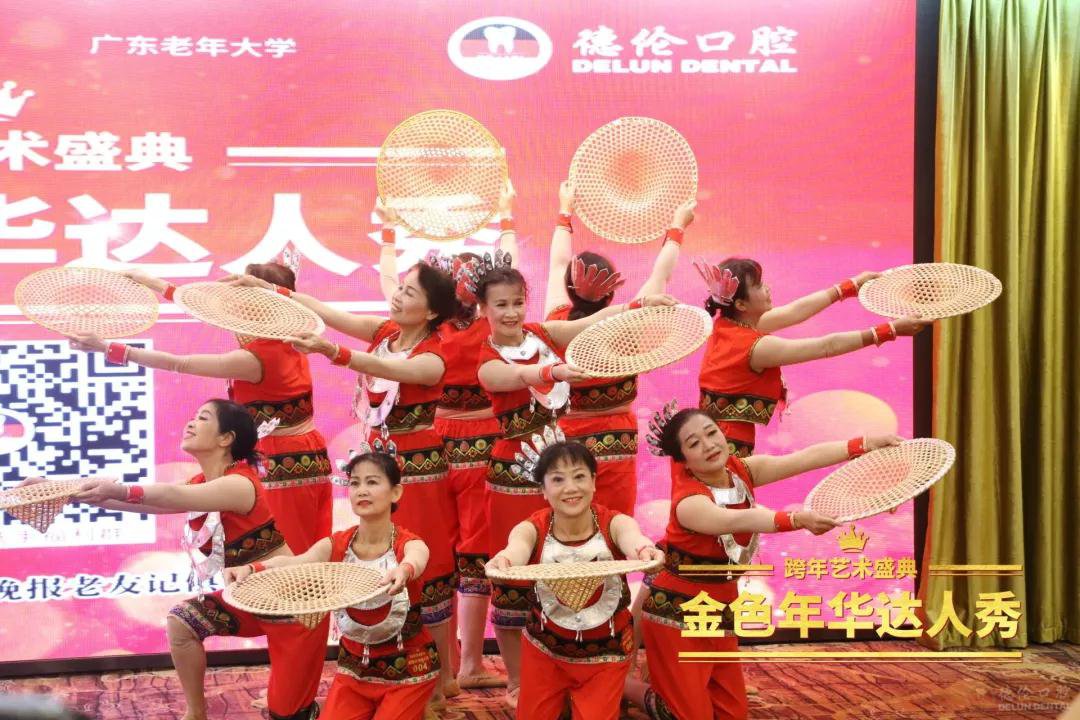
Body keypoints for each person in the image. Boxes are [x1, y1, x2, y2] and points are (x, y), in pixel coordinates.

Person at [226, 218, 460, 703]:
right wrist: (271, 291)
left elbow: (381, 366)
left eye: (410, 293)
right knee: (372, 559)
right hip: (376, 463)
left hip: (418, 474)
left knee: (426, 571)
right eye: (400, 288)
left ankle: (441, 681)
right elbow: (328, 312)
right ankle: (376, 667)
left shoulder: (434, 357)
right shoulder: (386, 330)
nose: (398, 296)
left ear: (433, 310)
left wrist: (334, 352)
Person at [474, 258, 674, 708]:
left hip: (556, 469)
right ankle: (517, 680)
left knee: (573, 561)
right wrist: (554, 372)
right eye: (500, 305)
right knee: (514, 579)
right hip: (514, 473)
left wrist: (638, 306)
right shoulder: (487, 358)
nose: (511, 312)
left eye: (518, 302)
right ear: (484, 309)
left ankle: (577, 664)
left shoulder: (541, 334)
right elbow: (514, 377)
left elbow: (593, 323)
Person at [54, 399, 325, 720]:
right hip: (248, 600)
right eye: (194, 416)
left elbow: (172, 496)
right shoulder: (204, 482)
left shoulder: (239, 484)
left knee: (289, 715)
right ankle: (196, 714)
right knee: (183, 622)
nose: (191, 423)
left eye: (203, 418)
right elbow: (153, 504)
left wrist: (119, 489)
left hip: (290, 606)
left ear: (226, 438)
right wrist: (66, 494)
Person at [627, 405, 899, 720]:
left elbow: (801, 459)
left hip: (719, 610)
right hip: (676, 614)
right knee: (685, 716)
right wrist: (796, 519)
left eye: (711, 433)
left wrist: (862, 444)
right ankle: (624, 687)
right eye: (694, 443)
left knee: (733, 715)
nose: (709, 445)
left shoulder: (740, 471)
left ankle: (671, 683)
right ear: (683, 460)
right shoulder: (690, 503)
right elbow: (736, 519)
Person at [68, 262, 332, 553]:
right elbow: (203, 305)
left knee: (293, 553)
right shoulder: (290, 341)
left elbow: (179, 363)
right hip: (298, 454)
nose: (232, 304)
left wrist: (108, 348)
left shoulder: (257, 357)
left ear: (257, 305)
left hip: (281, 462)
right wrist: (153, 282)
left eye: (241, 297)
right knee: (297, 548)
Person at [226, 446, 437, 720]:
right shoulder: (338, 543)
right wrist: (253, 568)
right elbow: (297, 562)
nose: (361, 491)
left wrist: (405, 570)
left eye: (372, 482)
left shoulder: (407, 543)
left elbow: (418, 556)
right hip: (354, 673)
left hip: (408, 670)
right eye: (355, 483)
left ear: (396, 492)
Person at [543, 180, 695, 514]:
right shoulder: (627, 324)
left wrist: (565, 210)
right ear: (612, 293)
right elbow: (662, 274)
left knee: (569, 525)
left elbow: (557, 263)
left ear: (569, 288)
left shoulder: (556, 323)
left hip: (566, 444)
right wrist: (677, 226)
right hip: (617, 443)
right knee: (617, 524)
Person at [487, 435, 664, 720]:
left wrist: (644, 550)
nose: (570, 488)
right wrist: (505, 560)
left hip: (606, 654)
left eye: (579, 476)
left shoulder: (614, 522)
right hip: (546, 652)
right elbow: (517, 547)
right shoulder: (532, 527)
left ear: (593, 482)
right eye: (558, 479)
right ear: (543, 490)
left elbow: (633, 538)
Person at [695, 258, 927, 457]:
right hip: (725, 448)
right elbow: (827, 346)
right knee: (733, 497)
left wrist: (850, 286)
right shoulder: (757, 347)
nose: (767, 288)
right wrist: (890, 331)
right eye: (758, 285)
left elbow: (794, 312)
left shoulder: (729, 325)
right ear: (741, 304)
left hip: (714, 439)